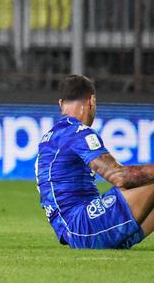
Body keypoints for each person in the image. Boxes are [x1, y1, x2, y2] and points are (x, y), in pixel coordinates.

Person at [36, 74, 154, 250]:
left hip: (75, 229)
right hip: (81, 226)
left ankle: (119, 238)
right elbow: (119, 177)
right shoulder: (78, 133)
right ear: (91, 101)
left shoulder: (49, 139)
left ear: (61, 104)